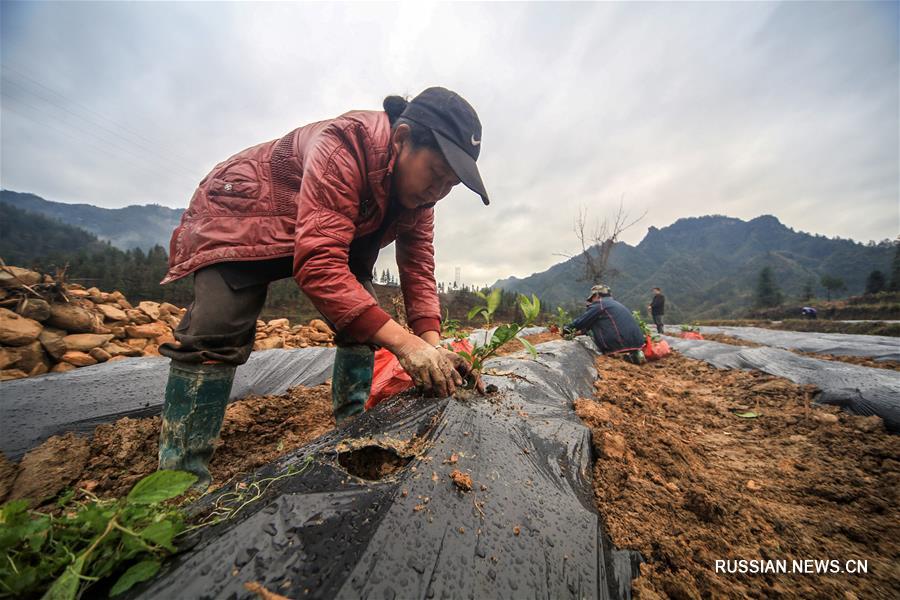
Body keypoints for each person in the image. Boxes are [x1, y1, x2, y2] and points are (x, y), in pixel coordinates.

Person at [156, 87, 488, 489]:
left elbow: (418, 269)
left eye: (450, 184)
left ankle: (354, 431)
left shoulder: (420, 201)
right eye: (435, 173)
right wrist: (405, 344)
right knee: (217, 327)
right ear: (402, 140)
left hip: (328, 227)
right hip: (242, 210)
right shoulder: (345, 147)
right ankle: (177, 483)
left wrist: (433, 348)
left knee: (363, 322)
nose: (438, 191)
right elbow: (318, 264)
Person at [564, 284, 646, 364]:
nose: (592, 301)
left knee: (591, 326)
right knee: (595, 320)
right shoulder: (616, 304)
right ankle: (633, 355)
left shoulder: (600, 304)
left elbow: (581, 322)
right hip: (638, 344)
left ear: (596, 295)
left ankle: (616, 353)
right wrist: (580, 331)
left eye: (592, 298)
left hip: (618, 345)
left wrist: (566, 329)